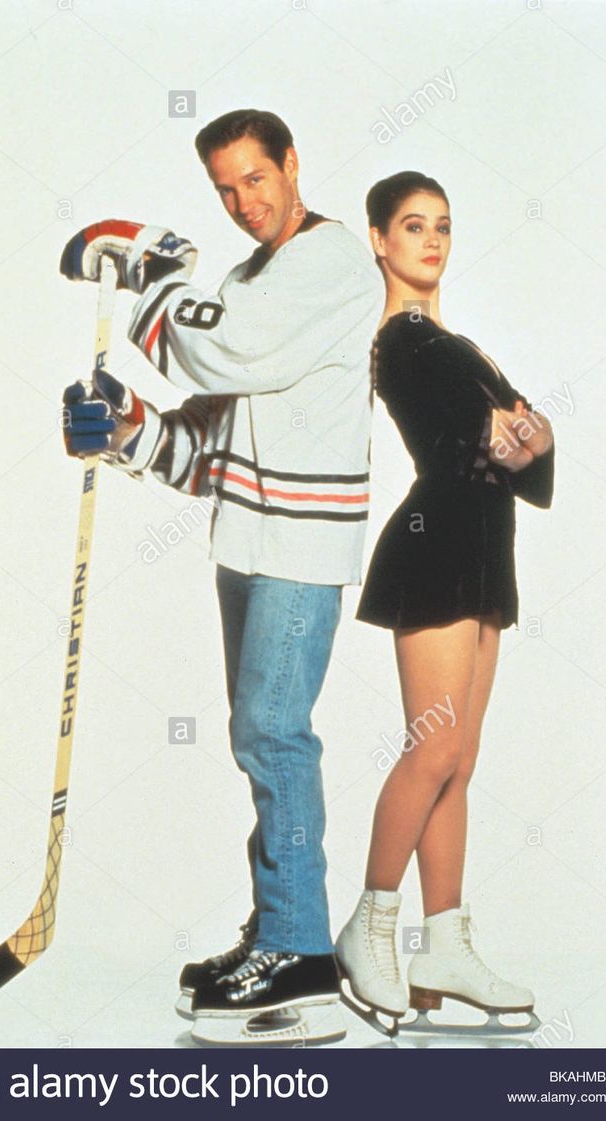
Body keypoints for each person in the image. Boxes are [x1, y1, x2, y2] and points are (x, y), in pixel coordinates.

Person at [59, 109, 382, 1044]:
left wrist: (157, 276)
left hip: (299, 546)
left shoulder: (328, 264)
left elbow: (223, 344)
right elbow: (209, 446)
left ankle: (300, 956)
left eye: (257, 178)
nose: (246, 202)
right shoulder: (251, 279)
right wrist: (123, 426)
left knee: (275, 735)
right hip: (249, 536)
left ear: (293, 162)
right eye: (227, 189)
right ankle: (276, 932)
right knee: (260, 736)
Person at [335, 171, 554, 1032]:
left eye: (444, 226)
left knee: (460, 757)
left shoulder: (458, 342)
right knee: (432, 751)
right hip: (435, 547)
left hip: (483, 547)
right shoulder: (407, 341)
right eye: (413, 226)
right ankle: (370, 926)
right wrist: (511, 438)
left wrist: (529, 440)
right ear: (380, 241)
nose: (431, 240)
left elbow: (529, 466)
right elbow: (477, 447)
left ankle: (446, 946)